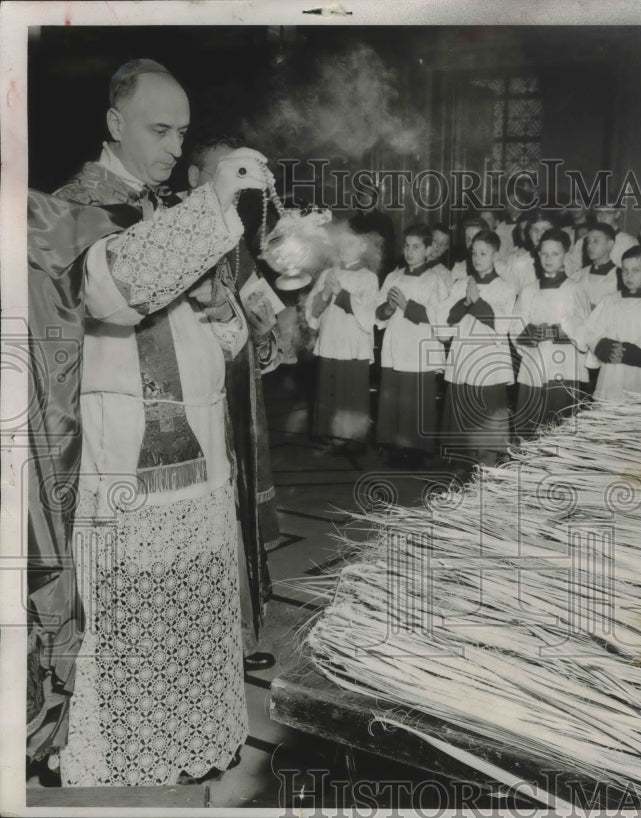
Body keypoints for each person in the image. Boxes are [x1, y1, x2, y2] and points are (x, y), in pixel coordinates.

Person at [29, 59, 272, 786]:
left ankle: (188, 740)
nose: (174, 146)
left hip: (198, 462)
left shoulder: (177, 212)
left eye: (183, 133)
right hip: (116, 464)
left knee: (188, 624)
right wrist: (212, 207)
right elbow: (113, 287)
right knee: (127, 626)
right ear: (114, 125)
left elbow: (234, 342)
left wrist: (225, 312)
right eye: (158, 129)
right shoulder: (62, 209)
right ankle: (119, 757)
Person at [187, 136, 284, 674]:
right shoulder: (175, 230)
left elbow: (254, 292)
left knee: (238, 503)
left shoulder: (232, 233)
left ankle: (241, 633)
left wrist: (269, 333)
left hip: (237, 386)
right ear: (197, 180)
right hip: (196, 392)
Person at [375, 224, 450, 464]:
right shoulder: (393, 276)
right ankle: (394, 446)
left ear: (428, 250)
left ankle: (417, 449)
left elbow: (439, 318)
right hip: (396, 344)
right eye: (406, 246)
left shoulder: (435, 280)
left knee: (416, 399)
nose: (409, 252)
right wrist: (387, 308)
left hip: (419, 346)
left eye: (416, 247)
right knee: (395, 397)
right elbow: (378, 312)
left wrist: (407, 306)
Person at [304, 218, 379, 454]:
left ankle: (352, 438)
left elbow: (368, 315)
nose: (345, 248)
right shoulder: (328, 273)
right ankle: (328, 434)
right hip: (330, 339)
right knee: (330, 387)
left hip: (353, 343)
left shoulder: (369, 277)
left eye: (352, 244)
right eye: (343, 243)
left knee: (351, 390)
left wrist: (341, 294)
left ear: (363, 247)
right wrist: (325, 294)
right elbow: (312, 313)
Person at [440, 230, 515, 466]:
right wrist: (465, 301)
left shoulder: (505, 288)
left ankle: (488, 465)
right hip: (463, 356)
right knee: (463, 418)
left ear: (495, 255)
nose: (477, 258)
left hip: (489, 360)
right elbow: (445, 322)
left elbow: (503, 325)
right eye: (474, 253)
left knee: (487, 416)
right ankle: (463, 467)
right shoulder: (461, 284)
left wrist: (478, 303)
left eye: (483, 253)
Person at [511, 228, 591, 436]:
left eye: (555, 254)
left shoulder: (574, 289)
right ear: (537, 255)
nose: (548, 258)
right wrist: (530, 334)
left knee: (557, 426)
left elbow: (585, 332)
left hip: (563, 368)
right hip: (533, 366)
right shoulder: (529, 290)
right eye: (544, 253)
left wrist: (557, 332)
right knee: (529, 427)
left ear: (566, 255)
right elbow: (515, 328)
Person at [584, 246, 641, 401]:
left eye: (636, 270)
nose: (629, 276)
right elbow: (591, 331)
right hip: (612, 375)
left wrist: (628, 352)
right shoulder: (610, 301)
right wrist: (603, 347)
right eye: (625, 270)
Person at [573, 222, 622, 308]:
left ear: (609, 245)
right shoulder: (580, 274)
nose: (590, 246)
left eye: (596, 241)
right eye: (588, 241)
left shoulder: (619, 276)